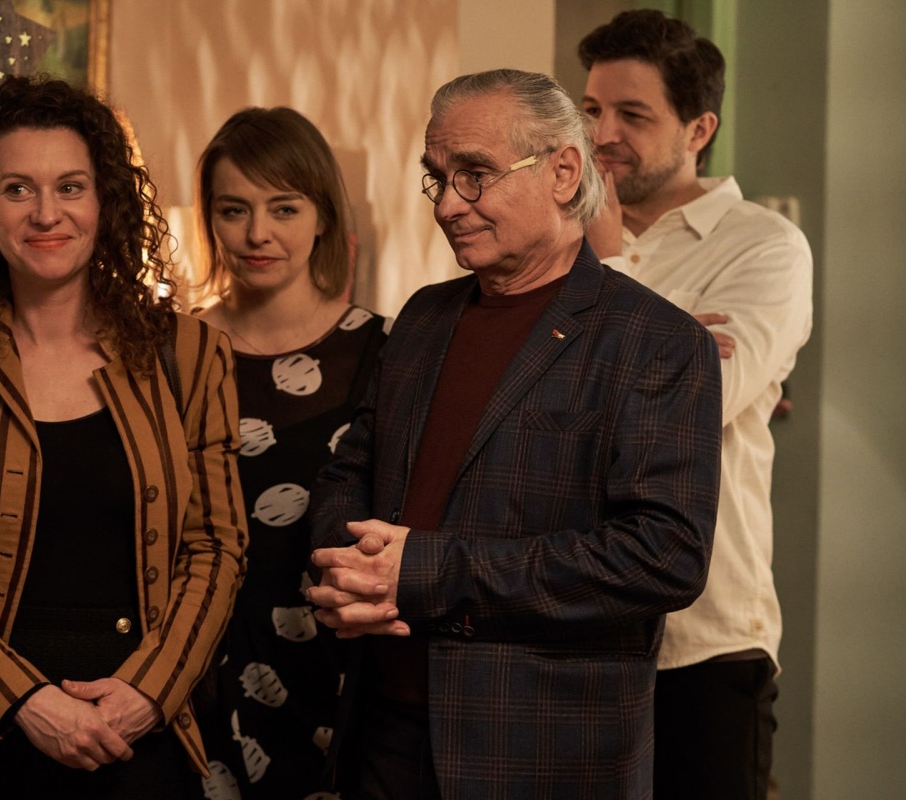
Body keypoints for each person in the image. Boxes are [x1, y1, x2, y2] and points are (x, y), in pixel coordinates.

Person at [308, 68, 724, 799]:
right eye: (438, 179)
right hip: (382, 735)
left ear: (563, 171)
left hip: (539, 752)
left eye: (476, 175)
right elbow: (352, 467)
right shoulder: (423, 317)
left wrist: (427, 572)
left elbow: (664, 557)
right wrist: (346, 568)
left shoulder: (656, 340)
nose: (448, 205)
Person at [0, 75, 246, 799]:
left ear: (105, 202)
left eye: (71, 187)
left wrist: (149, 692)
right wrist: (26, 701)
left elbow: (216, 546)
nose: (46, 213)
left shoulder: (190, 354)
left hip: (132, 739)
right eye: (17, 189)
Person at [578, 10, 813, 799]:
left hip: (704, 638)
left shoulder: (763, 246)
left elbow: (693, 407)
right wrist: (669, 342)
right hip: (563, 627)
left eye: (632, 114)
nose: (602, 134)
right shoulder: (547, 241)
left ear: (699, 128)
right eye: (591, 109)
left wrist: (606, 270)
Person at [191, 106, 390, 799]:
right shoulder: (171, 352)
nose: (258, 233)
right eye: (234, 209)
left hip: (339, 671)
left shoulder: (386, 350)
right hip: (199, 666)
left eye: (284, 208)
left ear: (323, 215)